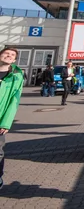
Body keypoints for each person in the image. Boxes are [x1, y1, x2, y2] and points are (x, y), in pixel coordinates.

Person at [0, 47, 24, 189]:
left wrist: (6, 123)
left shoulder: (16, 76)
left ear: (14, 60)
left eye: (12, 55)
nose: (9, 56)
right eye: (6, 53)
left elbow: (14, 100)